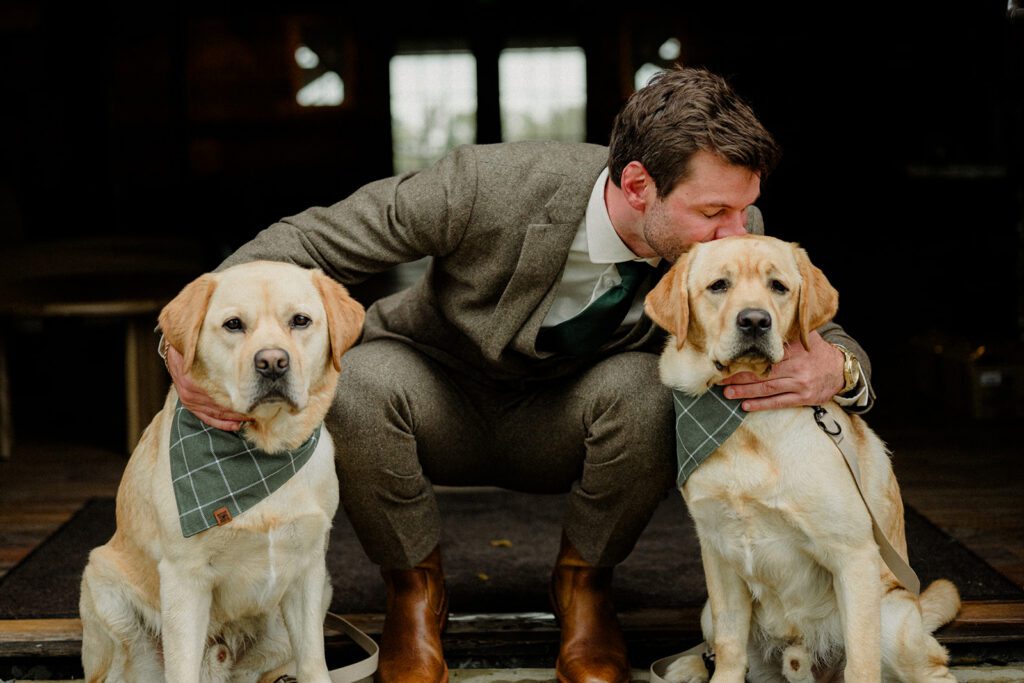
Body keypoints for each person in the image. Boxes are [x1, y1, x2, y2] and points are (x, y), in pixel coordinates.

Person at [164, 66, 873, 683]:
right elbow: (310, 240)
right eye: (715, 212)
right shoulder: (484, 185)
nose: (736, 233)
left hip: (579, 414)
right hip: (435, 391)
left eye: (744, 210)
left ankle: (584, 589)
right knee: (354, 380)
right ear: (636, 185)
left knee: (653, 389)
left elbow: (822, 323)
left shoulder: (727, 229)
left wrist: (837, 366)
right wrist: (186, 339)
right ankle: (414, 594)